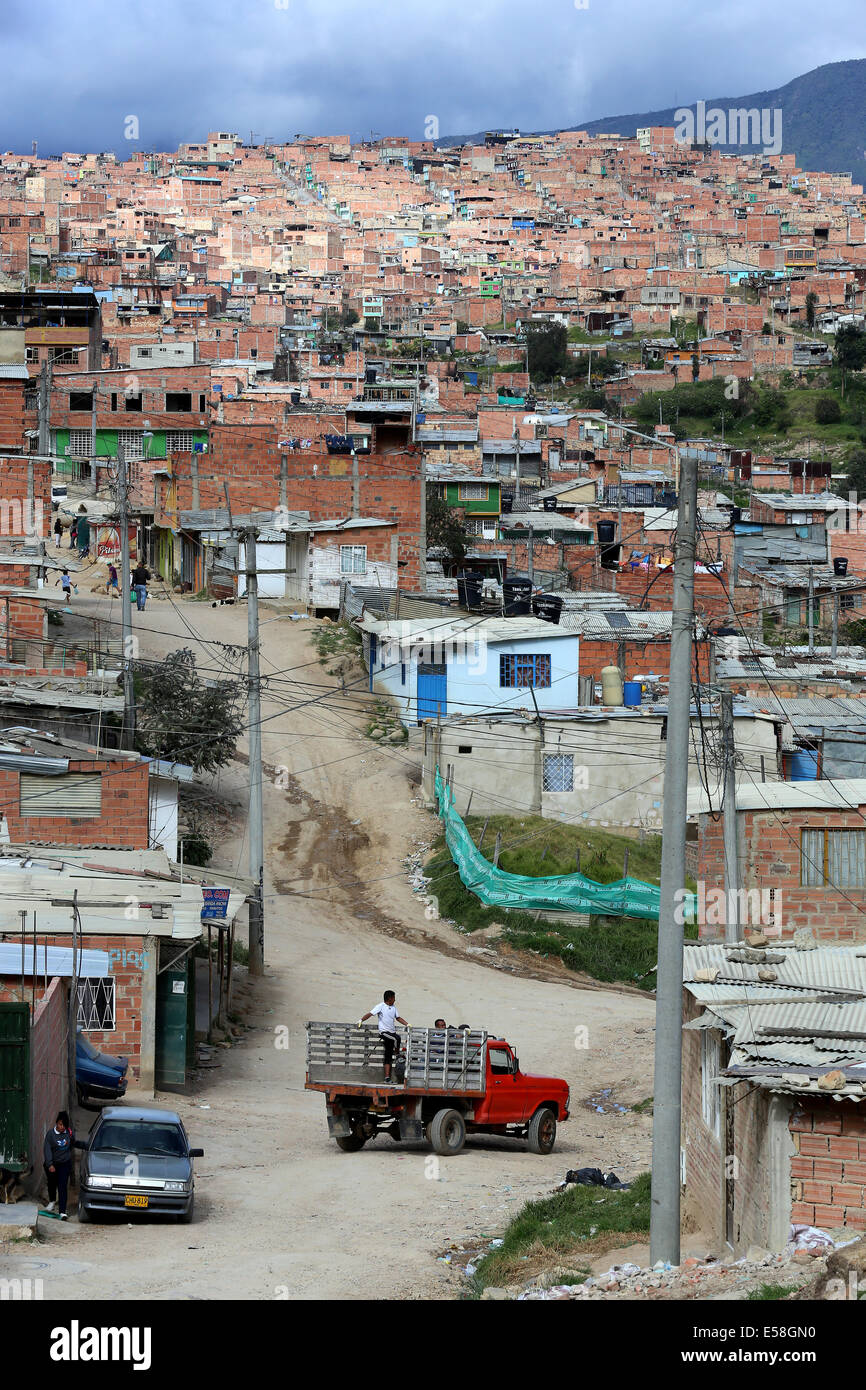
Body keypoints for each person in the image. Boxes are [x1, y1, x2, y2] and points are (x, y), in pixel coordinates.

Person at [358, 989, 408, 1083]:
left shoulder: (393, 1008)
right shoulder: (381, 1006)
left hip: (391, 1032)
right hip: (384, 1033)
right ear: (389, 998)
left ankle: (387, 1078)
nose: (395, 1000)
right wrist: (361, 1020)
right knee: (397, 1038)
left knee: (388, 1056)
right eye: (394, 998)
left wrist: (407, 1024)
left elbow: (398, 1018)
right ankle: (397, 1055)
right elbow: (370, 1014)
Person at [43, 1110, 74, 1220]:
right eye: (60, 1124)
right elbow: (47, 1150)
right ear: (57, 1123)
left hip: (64, 1164)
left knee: (62, 1187)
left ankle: (62, 1211)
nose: (62, 1127)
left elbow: (72, 1144)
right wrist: (50, 1164)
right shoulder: (50, 1135)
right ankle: (52, 1201)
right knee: (52, 1183)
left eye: (64, 1125)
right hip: (53, 1164)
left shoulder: (68, 1133)